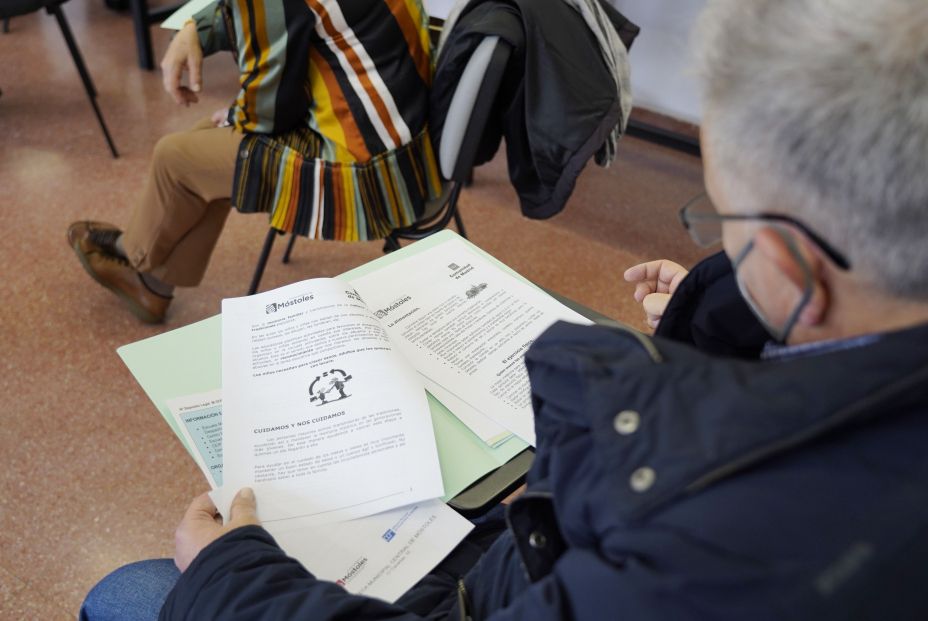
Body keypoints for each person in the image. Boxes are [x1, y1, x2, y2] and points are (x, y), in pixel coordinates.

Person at [82, 0, 928, 618]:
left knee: (128, 593)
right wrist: (732, 318)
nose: (719, 248)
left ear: (794, 268)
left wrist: (231, 575)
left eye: (720, 221)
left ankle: (150, 271)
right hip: (527, 550)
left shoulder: (704, 545)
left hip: (491, 577)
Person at [67, 0, 442, 323]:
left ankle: (136, 260)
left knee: (174, 158)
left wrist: (235, 115)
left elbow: (270, 103)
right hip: (410, 132)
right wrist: (195, 28)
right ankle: (152, 282)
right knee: (202, 146)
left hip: (363, 171)